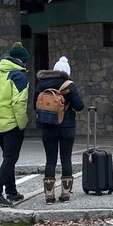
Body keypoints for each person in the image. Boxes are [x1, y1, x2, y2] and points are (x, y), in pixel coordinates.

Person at [0, 43, 30, 207]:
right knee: (11, 158)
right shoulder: (19, 77)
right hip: (12, 124)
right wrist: (22, 123)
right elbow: (19, 103)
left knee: (7, 158)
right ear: (23, 62)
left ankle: (11, 192)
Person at [35, 56, 84, 203]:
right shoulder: (69, 84)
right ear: (67, 72)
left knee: (50, 160)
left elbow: (34, 105)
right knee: (66, 158)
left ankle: (49, 195)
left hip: (47, 127)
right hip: (66, 127)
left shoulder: (41, 84)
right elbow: (80, 106)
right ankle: (65, 194)